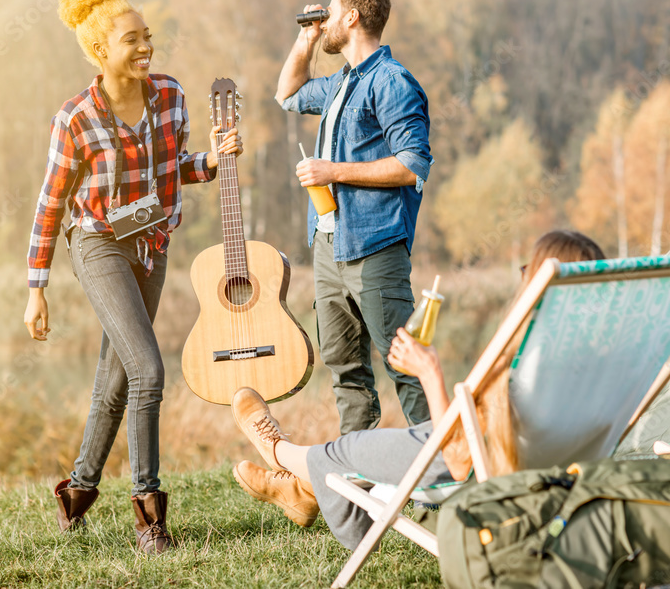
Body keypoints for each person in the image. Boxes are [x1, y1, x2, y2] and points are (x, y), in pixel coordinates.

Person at [22, 0, 242, 553]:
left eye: (147, 36)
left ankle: (77, 492)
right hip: (99, 247)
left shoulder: (169, 97)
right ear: (100, 51)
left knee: (117, 378)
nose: (145, 47)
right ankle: (149, 517)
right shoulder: (75, 118)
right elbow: (49, 205)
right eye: (131, 40)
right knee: (148, 370)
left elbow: (175, 171)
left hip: (153, 245)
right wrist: (36, 287)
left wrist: (213, 160)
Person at [230, 231, 606, 549]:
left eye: (527, 271)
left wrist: (428, 370)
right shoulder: (599, 363)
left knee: (341, 453)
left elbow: (458, 456)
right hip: (518, 459)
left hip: (455, 456)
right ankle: (301, 492)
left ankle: (277, 450)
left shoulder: (525, 359)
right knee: (365, 456)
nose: (521, 277)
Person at [275, 0, 433, 434]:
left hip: (375, 247)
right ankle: (360, 491)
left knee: (406, 368)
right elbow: (286, 96)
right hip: (328, 247)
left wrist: (333, 171)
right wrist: (306, 39)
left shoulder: (392, 82)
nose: (323, 20)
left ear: (352, 16)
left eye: (329, 12)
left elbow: (412, 166)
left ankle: (441, 479)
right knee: (345, 371)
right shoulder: (340, 82)